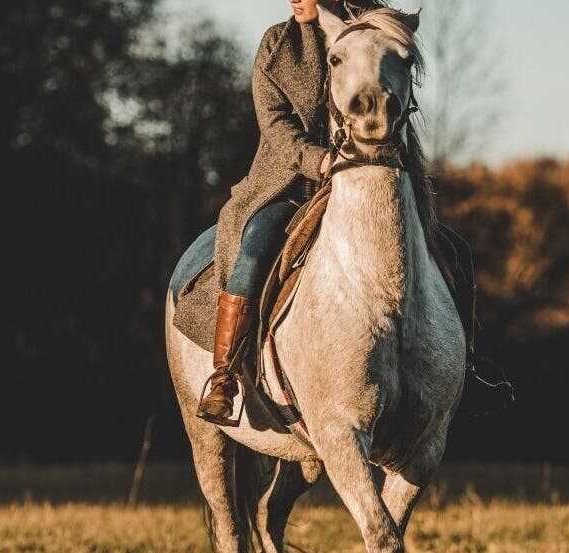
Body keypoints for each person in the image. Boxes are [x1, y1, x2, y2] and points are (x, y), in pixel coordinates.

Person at [196, 0, 512, 424]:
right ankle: (225, 375)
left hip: (375, 181)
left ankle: (465, 371)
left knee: (456, 252)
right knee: (253, 247)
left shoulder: (379, 29)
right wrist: (319, 161)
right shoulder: (277, 43)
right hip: (294, 186)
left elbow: (399, 101)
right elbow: (274, 124)